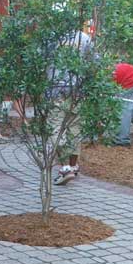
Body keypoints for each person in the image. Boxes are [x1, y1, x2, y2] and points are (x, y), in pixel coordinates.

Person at [52, 31, 94, 185]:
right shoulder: (84, 38)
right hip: (77, 90)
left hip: (56, 90)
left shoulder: (51, 36)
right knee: (75, 130)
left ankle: (65, 168)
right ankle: (73, 166)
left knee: (55, 129)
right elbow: (94, 62)